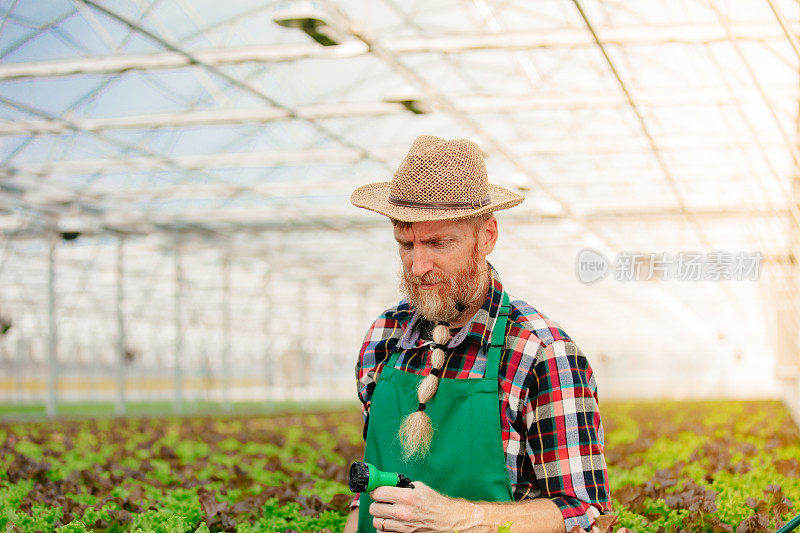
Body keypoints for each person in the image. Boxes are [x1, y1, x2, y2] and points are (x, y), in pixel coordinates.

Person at [344, 135, 610, 533]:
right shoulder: (383, 338)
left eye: (438, 243)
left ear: (486, 236)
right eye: (405, 244)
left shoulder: (541, 354)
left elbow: (584, 512)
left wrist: (460, 519)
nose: (418, 267)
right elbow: (369, 495)